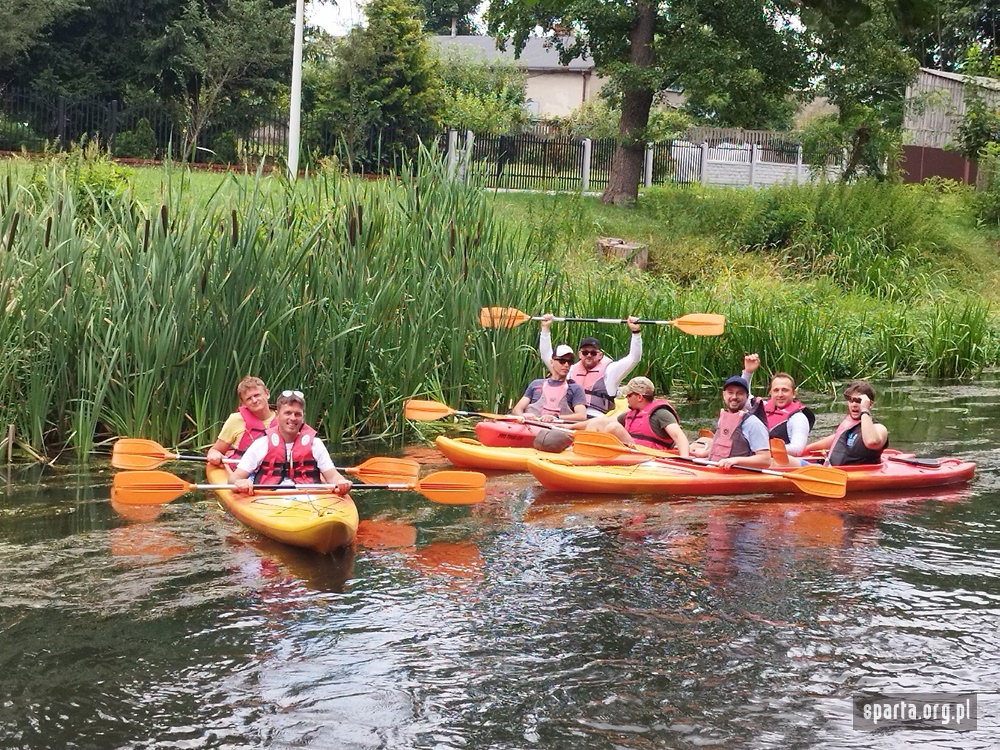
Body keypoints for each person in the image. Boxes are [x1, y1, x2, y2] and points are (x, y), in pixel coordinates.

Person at [231, 390, 352, 495]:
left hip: (311, 497)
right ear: (277, 415)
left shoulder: (315, 444)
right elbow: (234, 478)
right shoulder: (261, 444)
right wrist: (240, 482)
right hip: (268, 498)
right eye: (287, 413)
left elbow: (332, 476)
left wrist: (341, 482)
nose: (293, 418)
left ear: (303, 416)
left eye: (297, 414)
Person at [538, 313, 642, 418]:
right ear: (579, 354)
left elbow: (634, 358)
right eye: (585, 352)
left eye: (593, 353)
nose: (589, 355)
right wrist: (545, 329)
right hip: (570, 415)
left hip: (595, 416)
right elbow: (547, 356)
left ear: (600, 355)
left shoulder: (610, 371)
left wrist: (635, 332)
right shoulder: (570, 370)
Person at [568, 376, 690, 456]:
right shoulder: (631, 414)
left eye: (629, 395)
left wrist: (685, 459)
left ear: (639, 397)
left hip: (650, 456)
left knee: (614, 427)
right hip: (632, 452)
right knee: (597, 423)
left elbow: (679, 436)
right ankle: (587, 453)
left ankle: (597, 453)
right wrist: (571, 427)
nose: (625, 397)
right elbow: (604, 421)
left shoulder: (661, 414)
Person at [689, 375, 771, 469]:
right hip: (713, 469)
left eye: (739, 393)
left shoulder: (754, 424)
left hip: (737, 475)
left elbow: (765, 460)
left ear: (747, 396)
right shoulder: (723, 419)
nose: (734, 397)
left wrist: (735, 460)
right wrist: (705, 453)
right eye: (730, 392)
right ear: (724, 395)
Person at [741, 353, 815, 456]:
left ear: (793, 394)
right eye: (776, 390)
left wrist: (763, 449)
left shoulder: (798, 418)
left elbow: (798, 449)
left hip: (779, 462)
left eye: (785, 390)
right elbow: (743, 399)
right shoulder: (763, 406)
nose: (780, 395)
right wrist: (748, 372)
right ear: (770, 393)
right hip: (756, 456)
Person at [804, 380, 888, 465]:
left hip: (850, 474)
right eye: (851, 400)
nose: (854, 404)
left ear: (869, 404)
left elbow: (872, 442)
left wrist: (864, 411)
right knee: (791, 459)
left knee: (790, 462)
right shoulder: (849, 424)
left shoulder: (879, 428)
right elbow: (836, 438)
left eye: (859, 401)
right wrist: (806, 449)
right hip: (830, 470)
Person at [207, 376, 276, 469]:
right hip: (242, 472)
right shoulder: (235, 420)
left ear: (267, 394)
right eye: (249, 398)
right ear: (243, 403)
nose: (254, 401)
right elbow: (215, 450)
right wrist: (214, 455)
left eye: (257, 395)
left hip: (274, 472)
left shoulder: (285, 419)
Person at [510, 344, 588, 423]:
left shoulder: (575, 388)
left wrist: (556, 417)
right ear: (552, 362)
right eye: (562, 361)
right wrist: (523, 416)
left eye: (570, 362)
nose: (566, 365)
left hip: (557, 430)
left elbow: (581, 416)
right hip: (531, 426)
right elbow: (517, 409)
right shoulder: (536, 384)